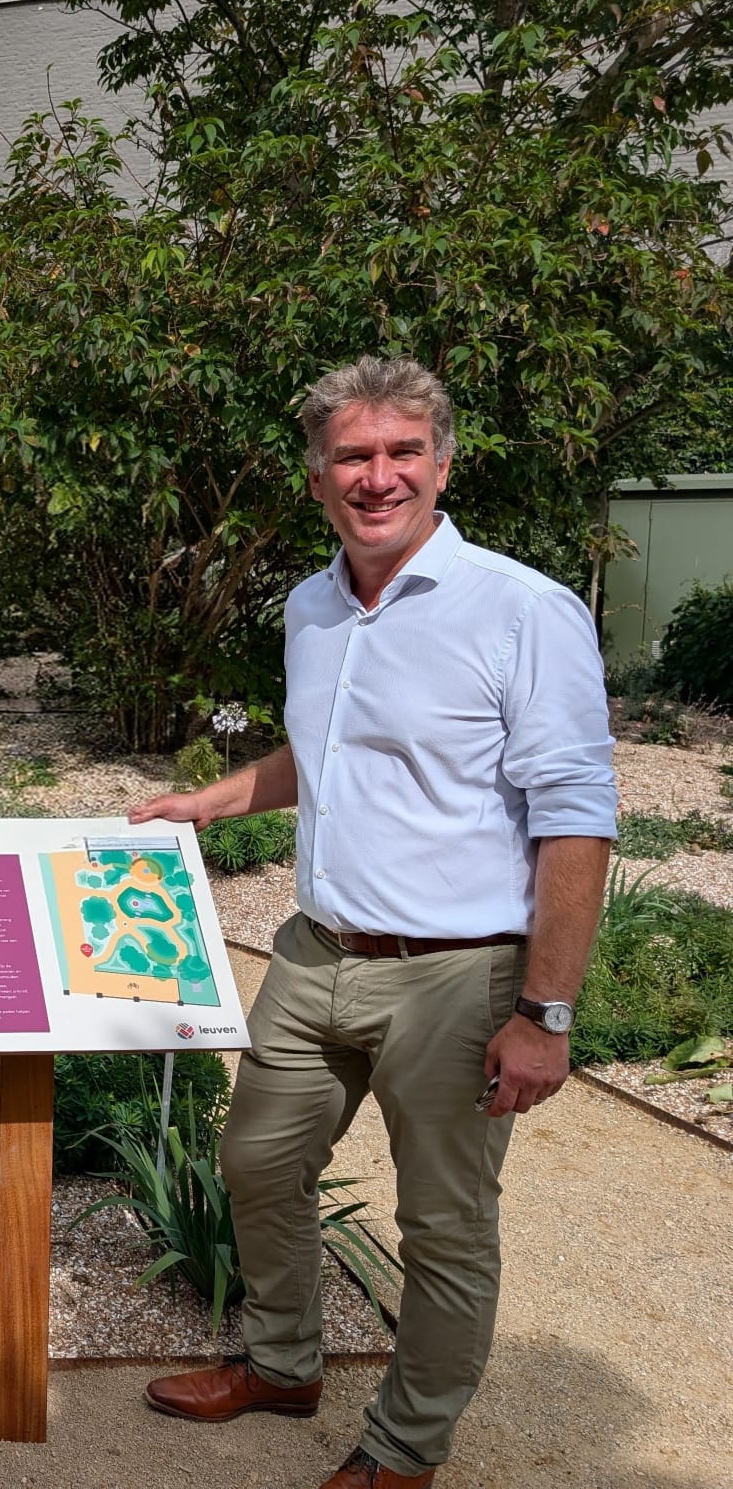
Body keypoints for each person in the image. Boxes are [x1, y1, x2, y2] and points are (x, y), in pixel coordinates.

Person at [129, 357, 615, 1488]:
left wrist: (546, 1012)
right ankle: (283, 1361)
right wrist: (210, 799)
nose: (378, 476)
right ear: (318, 478)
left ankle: (403, 1450)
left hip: (459, 978)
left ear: (443, 465)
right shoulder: (311, 606)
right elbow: (332, 754)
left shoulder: (523, 611)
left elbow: (578, 822)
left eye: (403, 453)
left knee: (443, 1229)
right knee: (256, 1159)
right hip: (316, 952)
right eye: (353, 455)